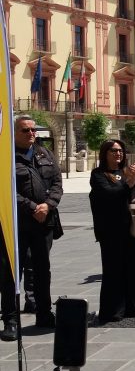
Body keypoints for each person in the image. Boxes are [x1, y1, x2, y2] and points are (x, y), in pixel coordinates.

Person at [89, 139, 135, 323]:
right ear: (105, 153)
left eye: (121, 150)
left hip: (130, 227)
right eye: (113, 151)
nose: (118, 153)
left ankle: (133, 308)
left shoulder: (126, 172)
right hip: (110, 229)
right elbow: (109, 195)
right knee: (113, 270)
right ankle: (113, 310)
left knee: (133, 268)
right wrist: (129, 183)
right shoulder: (98, 174)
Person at [14, 115, 62, 328]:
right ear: (15, 132)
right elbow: (6, 189)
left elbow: (57, 182)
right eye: (25, 130)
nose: (31, 133)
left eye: (33, 130)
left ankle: (44, 313)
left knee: (43, 268)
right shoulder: (7, 156)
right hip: (20, 222)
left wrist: (48, 205)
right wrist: (33, 207)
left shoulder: (44, 153)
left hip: (44, 222)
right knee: (13, 271)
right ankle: (11, 318)